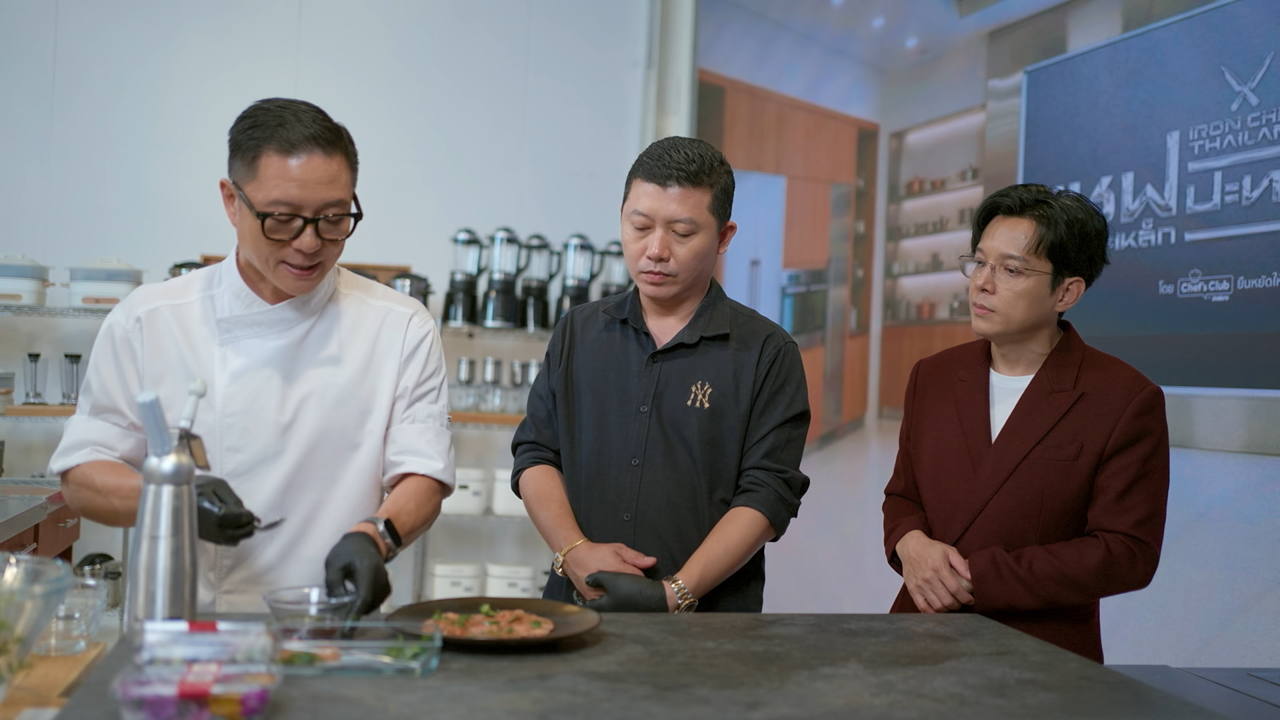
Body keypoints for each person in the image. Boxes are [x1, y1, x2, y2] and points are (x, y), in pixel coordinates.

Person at [51, 98, 454, 615]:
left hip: (329, 626)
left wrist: (376, 536)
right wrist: (174, 499)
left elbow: (423, 473)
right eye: (282, 219)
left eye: (333, 219)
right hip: (184, 629)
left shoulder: (399, 325)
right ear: (231, 201)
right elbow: (83, 476)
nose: (309, 243)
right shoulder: (150, 319)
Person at [511, 136, 810, 613]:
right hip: (577, 608)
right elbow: (536, 454)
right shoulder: (579, 332)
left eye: (682, 233)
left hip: (708, 623)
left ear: (724, 237)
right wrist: (575, 552)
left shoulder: (766, 353)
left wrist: (674, 594)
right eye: (640, 227)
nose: (655, 250)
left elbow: (768, 493)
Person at [881, 183, 1170, 662]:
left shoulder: (1124, 398)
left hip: (1040, 652)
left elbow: (1126, 553)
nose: (982, 283)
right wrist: (910, 545)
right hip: (920, 635)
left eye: (1011, 269)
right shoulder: (932, 376)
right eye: (979, 262)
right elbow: (902, 495)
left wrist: (976, 578)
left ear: (1067, 292)